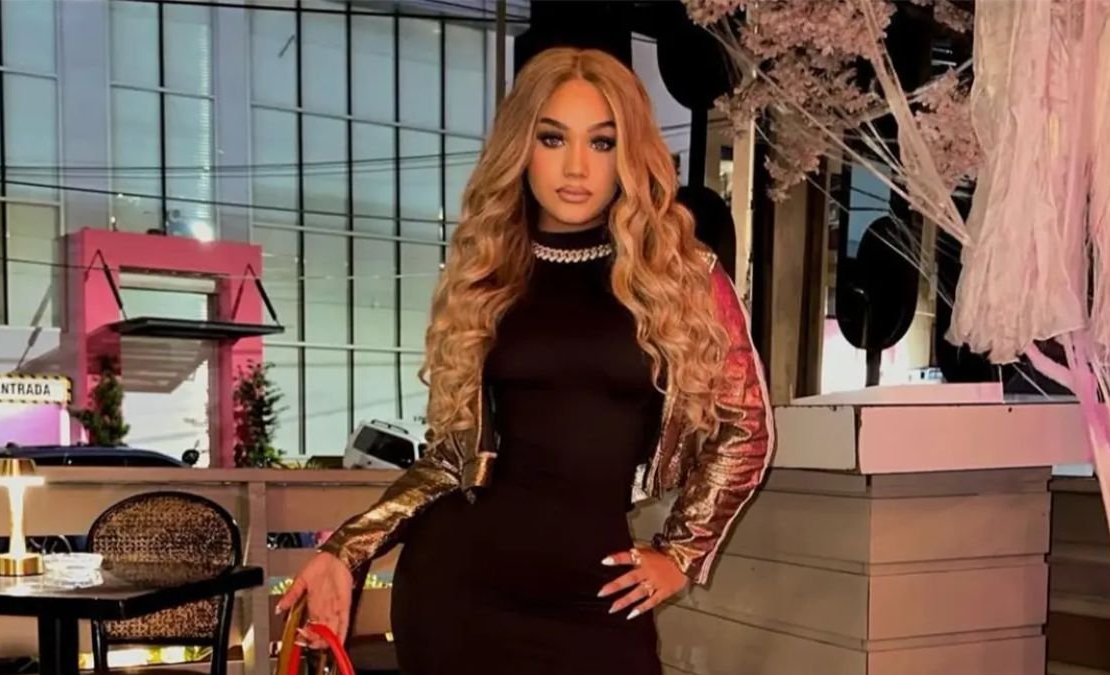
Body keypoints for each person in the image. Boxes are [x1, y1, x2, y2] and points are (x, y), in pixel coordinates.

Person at [278, 47, 773, 675]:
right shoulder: (489, 275)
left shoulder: (680, 276)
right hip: (461, 593)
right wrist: (348, 547)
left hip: (597, 599)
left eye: (601, 142)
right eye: (552, 138)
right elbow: (451, 459)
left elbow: (746, 428)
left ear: (629, 153)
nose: (576, 166)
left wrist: (682, 552)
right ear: (521, 146)